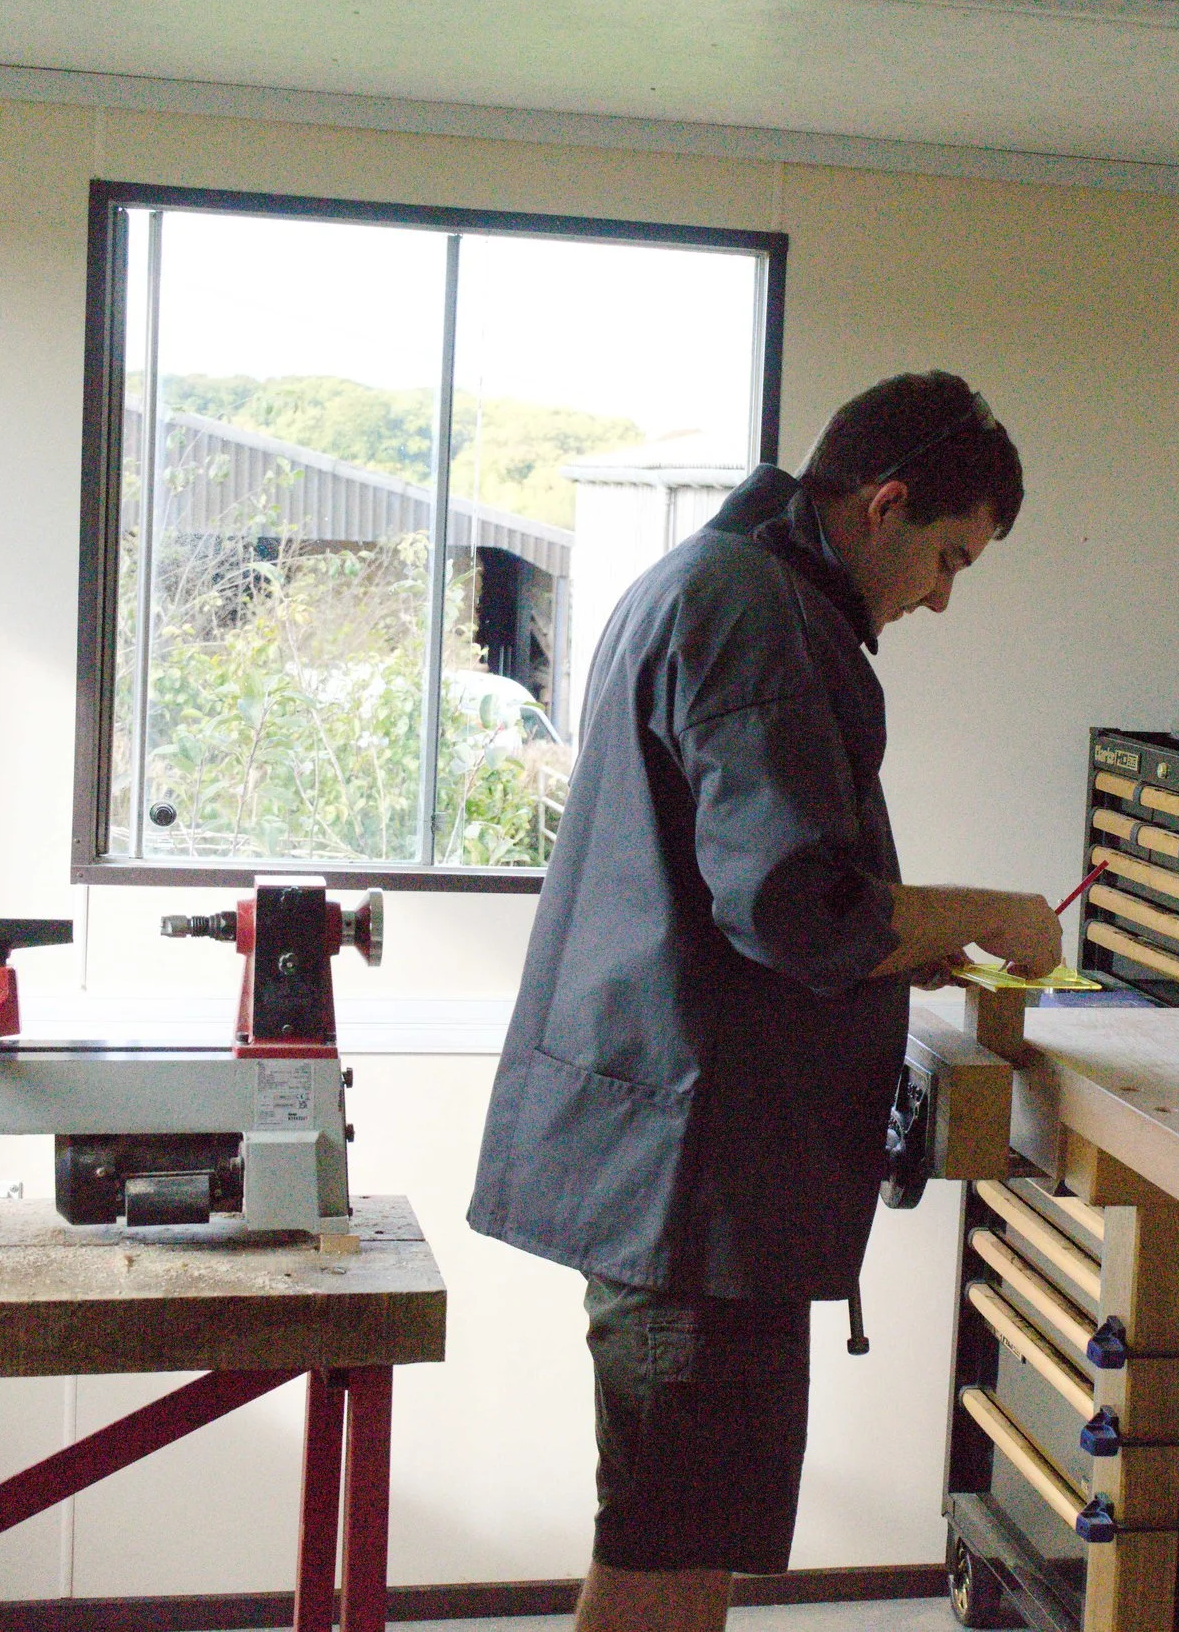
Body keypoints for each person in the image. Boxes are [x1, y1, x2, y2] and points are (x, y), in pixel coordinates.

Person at [467, 371, 1062, 1632]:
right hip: (693, 1189)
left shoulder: (706, 580)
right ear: (883, 505)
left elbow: (743, 895)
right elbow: (796, 905)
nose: (943, 597)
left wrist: (903, 951)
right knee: (666, 1557)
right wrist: (992, 914)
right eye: (946, 557)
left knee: (676, 1535)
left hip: (680, 1170)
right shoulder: (757, 614)